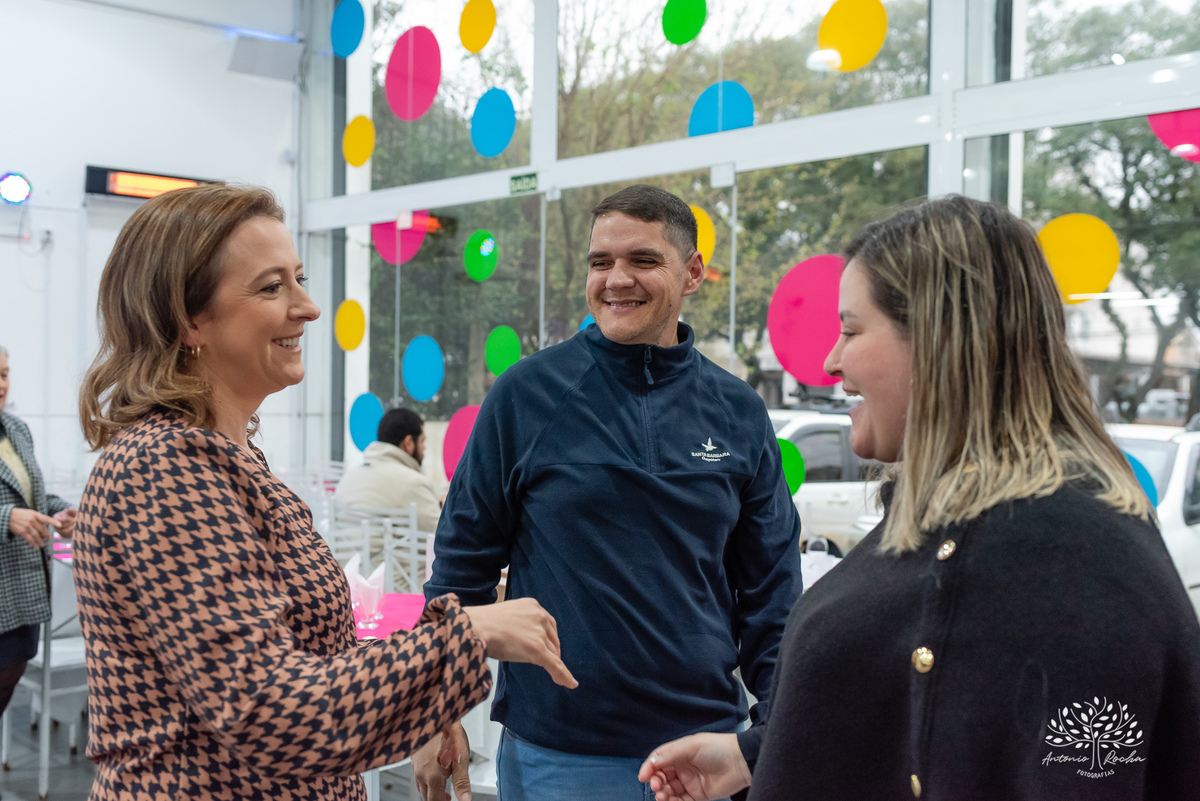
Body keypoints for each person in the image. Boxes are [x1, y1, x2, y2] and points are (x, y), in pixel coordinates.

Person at [639, 195, 1200, 801]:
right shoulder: (964, 514)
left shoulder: (1070, 561)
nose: (831, 361)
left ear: (940, 342)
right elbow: (936, 714)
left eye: (851, 329)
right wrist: (757, 753)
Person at [73, 183, 576, 801]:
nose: (308, 308)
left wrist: (423, 689)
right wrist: (464, 635)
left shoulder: (227, 460)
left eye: (300, 279)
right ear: (188, 318)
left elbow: (308, 663)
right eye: (271, 286)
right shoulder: (164, 468)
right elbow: (268, 711)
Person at [416, 184, 803, 801]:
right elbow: (460, 567)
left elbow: (772, 599)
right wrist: (436, 712)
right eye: (601, 262)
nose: (616, 279)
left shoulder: (739, 412)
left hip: (705, 752)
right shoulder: (525, 397)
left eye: (642, 260)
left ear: (693, 272)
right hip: (557, 755)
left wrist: (777, 735)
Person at [0, 346, 78, 718]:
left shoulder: (16, 429)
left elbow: (32, 492)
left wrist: (58, 510)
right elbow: (12, 508)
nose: (1, 384)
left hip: (21, 594)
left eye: (4, 374)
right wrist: (6, 517)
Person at [335, 407, 442, 540]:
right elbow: (443, 535)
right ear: (408, 443)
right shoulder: (413, 483)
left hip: (345, 559)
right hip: (390, 560)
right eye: (422, 441)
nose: (424, 448)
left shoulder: (349, 477)